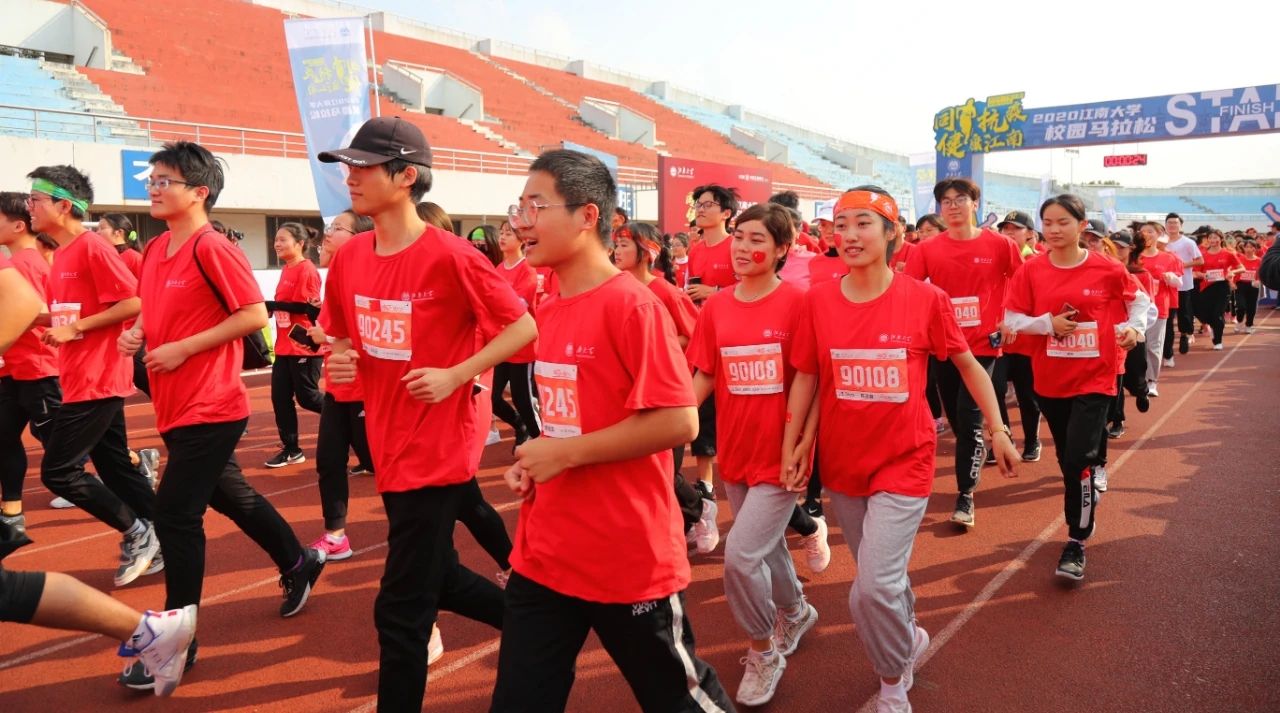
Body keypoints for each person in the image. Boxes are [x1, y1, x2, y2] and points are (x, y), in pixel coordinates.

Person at [490, 149, 734, 713]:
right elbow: (567, 422)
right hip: (544, 553)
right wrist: (537, 461)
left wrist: (566, 454)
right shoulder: (548, 308)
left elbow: (679, 420)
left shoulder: (632, 306)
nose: (521, 220)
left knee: (679, 700)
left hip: (626, 558)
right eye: (519, 206)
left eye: (535, 204)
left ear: (587, 217)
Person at [318, 117, 536, 712]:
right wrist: (341, 363)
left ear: (407, 175)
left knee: (401, 608)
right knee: (439, 575)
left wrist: (457, 373)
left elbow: (522, 325)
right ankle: (540, 625)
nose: (350, 176)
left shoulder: (453, 256)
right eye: (348, 165)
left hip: (438, 448)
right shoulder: (352, 257)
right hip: (386, 441)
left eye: (363, 166)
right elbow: (341, 337)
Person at [780, 187, 1017, 713]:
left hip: (905, 460)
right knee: (881, 578)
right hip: (844, 464)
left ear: (894, 235)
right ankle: (906, 636)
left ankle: (892, 682)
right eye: (841, 225)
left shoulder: (925, 300)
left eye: (863, 223)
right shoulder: (818, 301)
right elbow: (807, 377)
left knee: (869, 589)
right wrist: (795, 441)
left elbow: (968, 364)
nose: (849, 235)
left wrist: (999, 428)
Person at [117, 141, 327, 689]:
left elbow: (253, 315)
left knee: (176, 515)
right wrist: (140, 333)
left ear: (199, 191)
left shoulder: (212, 246)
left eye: (166, 180)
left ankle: (176, 644)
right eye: (153, 179)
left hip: (213, 403)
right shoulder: (159, 247)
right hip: (173, 402)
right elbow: (160, 312)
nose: (154, 188)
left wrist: (186, 348)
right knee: (231, 495)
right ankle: (298, 561)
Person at [687, 202, 820, 706]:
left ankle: (764, 651)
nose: (743, 247)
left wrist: (804, 445)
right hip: (736, 453)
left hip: (781, 455)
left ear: (783, 249)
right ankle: (797, 610)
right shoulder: (717, 308)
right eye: (739, 237)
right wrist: (666, 423)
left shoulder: (799, 304)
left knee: (741, 559)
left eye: (757, 239)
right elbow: (702, 375)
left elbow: (813, 378)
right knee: (768, 547)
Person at [1003, 194, 1150, 581]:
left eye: (1063, 222)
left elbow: (1141, 301)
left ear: (1082, 226)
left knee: (1076, 459)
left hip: (1096, 378)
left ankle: (1077, 539)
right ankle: (1085, 485)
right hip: (1050, 380)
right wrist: (1047, 324)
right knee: (1069, 456)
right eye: (1047, 222)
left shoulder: (1107, 268)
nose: (1054, 229)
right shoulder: (1031, 271)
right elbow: (1012, 319)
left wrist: (1134, 328)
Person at [27, 164, 161, 587]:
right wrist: (38, 319)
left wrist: (75, 329)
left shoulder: (92, 248)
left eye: (36, 199)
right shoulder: (63, 253)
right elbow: (75, 313)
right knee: (116, 467)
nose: (29, 206)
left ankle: (137, 532)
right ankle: (166, 534)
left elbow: (131, 302)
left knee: (59, 472)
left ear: (63, 205)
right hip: (81, 376)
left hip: (99, 376)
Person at [904, 177, 1022, 528]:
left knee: (969, 418)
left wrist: (1010, 318)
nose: (953, 206)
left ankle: (965, 495)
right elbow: (910, 292)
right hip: (943, 345)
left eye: (960, 199)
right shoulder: (926, 249)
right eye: (946, 201)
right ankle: (981, 443)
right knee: (956, 419)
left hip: (983, 344)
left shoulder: (1001, 245)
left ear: (975, 204)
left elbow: (1023, 283)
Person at [612, 222, 713, 551]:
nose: (617, 250)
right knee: (641, 469)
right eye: (617, 244)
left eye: (625, 245)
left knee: (666, 470)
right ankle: (678, 523)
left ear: (647, 252)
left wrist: (656, 342)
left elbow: (695, 336)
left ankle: (699, 508)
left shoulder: (666, 292)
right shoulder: (616, 288)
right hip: (631, 394)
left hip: (668, 394)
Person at [307, 209, 377, 562]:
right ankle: (336, 534)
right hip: (338, 386)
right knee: (328, 461)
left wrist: (329, 336)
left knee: (381, 464)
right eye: (330, 227)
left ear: (361, 236)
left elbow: (370, 333)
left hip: (369, 388)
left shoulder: (369, 275)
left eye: (338, 228)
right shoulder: (333, 276)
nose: (329, 233)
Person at [0, 192, 61, 535]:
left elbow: (39, 312)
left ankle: (132, 488)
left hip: (38, 368)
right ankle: (11, 511)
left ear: (18, 225)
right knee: (4, 437)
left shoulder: (24, 263)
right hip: (15, 369)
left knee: (65, 452)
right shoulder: (22, 260)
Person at [684, 184, 741, 508]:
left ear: (726, 213)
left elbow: (749, 285)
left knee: (734, 413)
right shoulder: (695, 249)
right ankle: (705, 489)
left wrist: (714, 290)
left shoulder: (737, 245)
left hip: (735, 340)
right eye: (699, 204)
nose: (701, 209)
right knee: (702, 413)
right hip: (703, 339)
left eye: (708, 204)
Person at [263, 222, 324, 468]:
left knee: (308, 397)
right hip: (284, 347)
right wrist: (272, 309)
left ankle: (352, 419)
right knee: (280, 398)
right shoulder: (287, 269)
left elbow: (309, 308)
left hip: (304, 345)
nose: (277, 244)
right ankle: (291, 449)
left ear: (299, 244)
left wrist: (271, 305)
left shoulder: (307, 270)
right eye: (276, 240)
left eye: (283, 240)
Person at [492, 219, 542, 448]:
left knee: (524, 400)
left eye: (508, 233)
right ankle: (520, 426)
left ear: (521, 239)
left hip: (522, 346)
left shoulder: (527, 269)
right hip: (502, 344)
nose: (502, 237)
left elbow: (516, 305)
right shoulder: (499, 270)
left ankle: (539, 439)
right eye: (501, 233)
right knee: (493, 399)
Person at [1137, 222, 1181, 395]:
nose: (1146, 234)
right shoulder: (1134, 256)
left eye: (1150, 231)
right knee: (1136, 345)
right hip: (1134, 307)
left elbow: (1179, 282)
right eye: (1143, 232)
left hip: (1158, 306)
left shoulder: (1168, 258)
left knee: (1154, 345)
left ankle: (1152, 381)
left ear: (1159, 234)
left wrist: (1171, 279)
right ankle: (1137, 379)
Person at [1192, 229, 1243, 350]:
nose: (1213, 240)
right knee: (1202, 313)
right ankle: (1214, 326)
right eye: (1211, 238)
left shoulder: (1228, 254)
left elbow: (1241, 268)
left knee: (1218, 314)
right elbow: (1196, 272)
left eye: (1216, 237)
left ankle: (1218, 341)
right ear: (1207, 239)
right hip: (1206, 287)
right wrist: (1203, 275)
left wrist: (1231, 272)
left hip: (1222, 287)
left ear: (1221, 239)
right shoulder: (1202, 254)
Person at [1164, 213, 1203, 354]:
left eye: (1175, 223)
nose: (1172, 225)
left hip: (1183, 283)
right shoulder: (1162, 243)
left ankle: (1185, 335)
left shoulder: (1188, 242)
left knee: (1184, 312)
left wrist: (1181, 266)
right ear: (1165, 225)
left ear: (1180, 225)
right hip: (1166, 284)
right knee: (1168, 314)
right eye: (1169, 223)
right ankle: (1167, 341)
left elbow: (1200, 260)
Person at [1234, 240, 1262, 333]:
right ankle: (1239, 321)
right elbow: (1234, 271)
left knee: (1251, 307)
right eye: (1247, 247)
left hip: (1253, 286)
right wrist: (1232, 283)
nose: (1249, 249)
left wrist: (1259, 280)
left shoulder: (1259, 260)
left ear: (1255, 248)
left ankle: (1249, 325)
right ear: (1244, 248)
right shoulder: (1240, 259)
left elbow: (1262, 274)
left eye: (1251, 247)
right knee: (1240, 306)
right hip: (1240, 285)